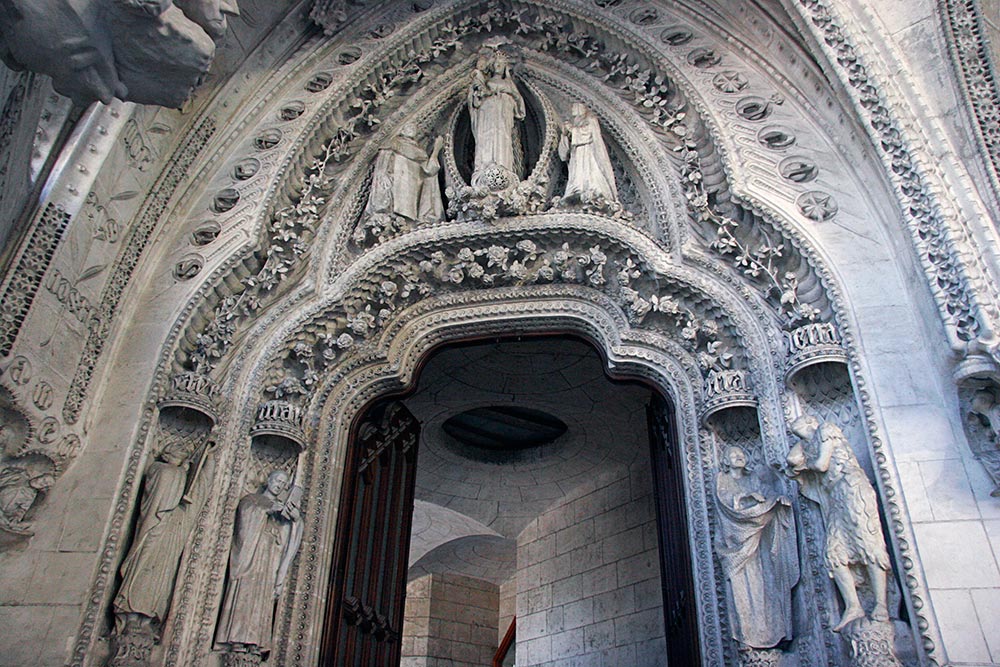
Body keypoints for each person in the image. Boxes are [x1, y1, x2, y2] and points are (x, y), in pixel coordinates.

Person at [787, 415, 890, 632]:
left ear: (808, 422)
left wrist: (804, 465)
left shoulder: (826, 429)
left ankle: (881, 605)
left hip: (852, 488)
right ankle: (853, 607)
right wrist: (801, 458)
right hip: (835, 496)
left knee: (868, 544)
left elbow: (821, 465)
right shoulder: (808, 444)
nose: (795, 431)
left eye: (798, 429)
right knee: (834, 554)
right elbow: (792, 459)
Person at [113, 435, 215, 636]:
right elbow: (165, 491)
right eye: (178, 448)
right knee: (145, 563)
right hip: (156, 524)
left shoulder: (178, 478)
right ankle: (131, 612)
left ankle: (149, 617)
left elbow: (200, 490)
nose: (183, 453)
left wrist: (209, 459)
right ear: (167, 453)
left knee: (163, 573)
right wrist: (183, 474)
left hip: (171, 527)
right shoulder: (162, 470)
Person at [715, 446, 798, 649]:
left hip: (759, 541)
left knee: (765, 581)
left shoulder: (754, 478)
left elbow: (767, 493)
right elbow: (726, 502)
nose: (739, 457)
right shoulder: (722, 480)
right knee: (741, 586)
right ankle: (746, 636)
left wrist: (777, 499)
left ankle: (772, 633)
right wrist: (746, 497)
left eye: (742, 454)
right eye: (734, 455)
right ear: (725, 460)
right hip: (734, 543)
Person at [215, 470, 303, 659]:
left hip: (269, 560)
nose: (279, 485)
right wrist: (266, 510)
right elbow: (244, 521)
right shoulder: (252, 500)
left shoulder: (280, 507)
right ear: (268, 480)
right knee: (245, 593)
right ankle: (236, 640)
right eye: (277, 481)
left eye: (283, 484)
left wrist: (295, 520)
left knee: (262, 598)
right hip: (251, 558)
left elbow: (287, 537)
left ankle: (255, 643)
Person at [359, 125, 444, 242]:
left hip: (410, 200)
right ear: (401, 130)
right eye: (407, 127)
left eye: (413, 127)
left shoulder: (420, 153)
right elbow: (383, 171)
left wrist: (436, 149)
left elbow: (430, 170)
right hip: (395, 198)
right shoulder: (391, 146)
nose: (411, 129)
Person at [468, 46, 525, 186]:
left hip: (503, 117)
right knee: (486, 140)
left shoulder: (508, 84)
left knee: (503, 140)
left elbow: (518, 102)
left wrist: (507, 97)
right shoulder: (485, 82)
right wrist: (481, 96)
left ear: (505, 66)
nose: (498, 66)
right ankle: (484, 168)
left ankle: (503, 167)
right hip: (487, 117)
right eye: (496, 64)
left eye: (501, 64)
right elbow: (475, 101)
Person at [558, 103, 618, 204]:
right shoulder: (575, 122)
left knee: (588, 170)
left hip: (587, 151)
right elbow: (568, 142)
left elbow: (588, 133)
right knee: (577, 172)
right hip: (576, 153)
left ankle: (592, 191)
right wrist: (565, 134)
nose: (572, 109)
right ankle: (577, 189)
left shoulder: (590, 119)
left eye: (574, 107)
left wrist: (572, 129)